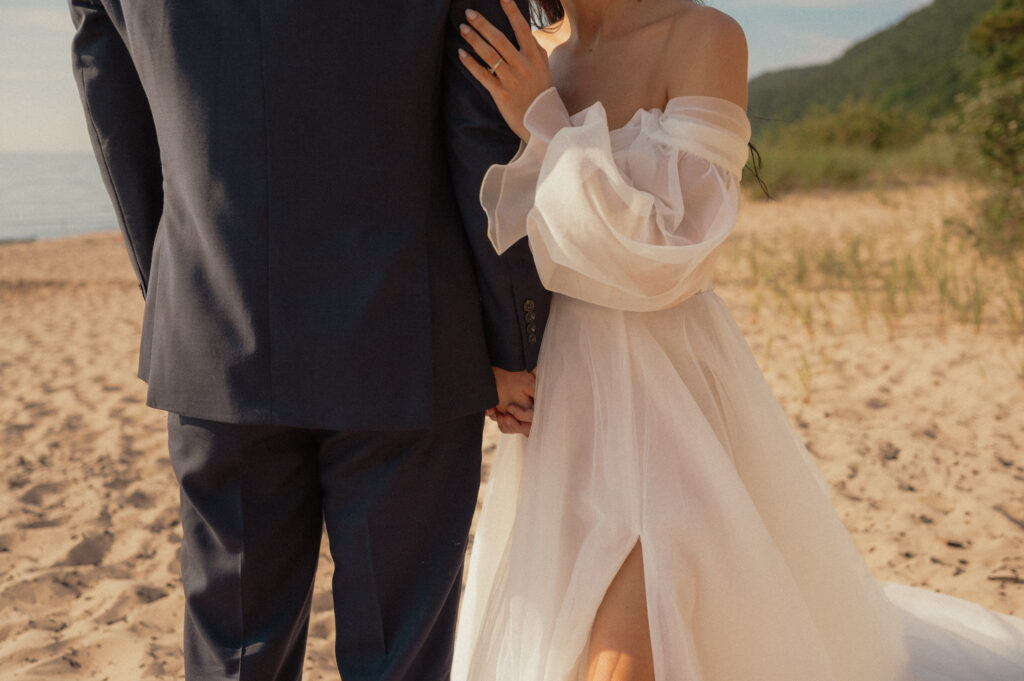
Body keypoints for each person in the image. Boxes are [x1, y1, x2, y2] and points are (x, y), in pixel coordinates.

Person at [451, 1, 1024, 680]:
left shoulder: (701, 36)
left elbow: (673, 250)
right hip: (561, 403)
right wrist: (489, 362)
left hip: (669, 398)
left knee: (626, 655)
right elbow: (465, 227)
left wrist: (546, 121)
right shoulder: (522, 51)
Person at [68, 0, 547, 679]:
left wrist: (185, 300)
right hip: (406, 344)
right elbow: (481, 128)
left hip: (218, 338)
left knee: (236, 657)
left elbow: (116, 116)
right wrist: (515, 339)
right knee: (398, 660)